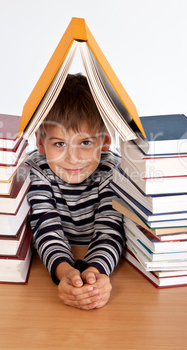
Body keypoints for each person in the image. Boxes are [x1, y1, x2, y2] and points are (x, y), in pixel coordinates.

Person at [26, 73, 125, 310]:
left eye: (85, 143)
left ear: (104, 142)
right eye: (59, 144)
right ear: (41, 143)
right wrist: (66, 273)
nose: (72, 158)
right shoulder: (35, 170)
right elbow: (45, 226)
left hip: (102, 261)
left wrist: (93, 276)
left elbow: (109, 228)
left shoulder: (112, 171)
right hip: (52, 263)